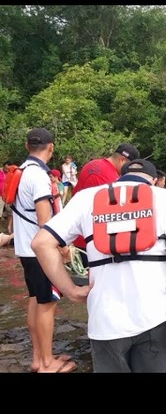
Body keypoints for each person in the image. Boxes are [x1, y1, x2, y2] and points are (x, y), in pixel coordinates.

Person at [31, 158, 166, 373]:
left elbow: (41, 243)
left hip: (104, 323)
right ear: (153, 180)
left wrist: (71, 290)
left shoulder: (86, 198)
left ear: (119, 178)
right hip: (156, 317)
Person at [14, 127, 77, 373]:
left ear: (27, 146)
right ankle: (47, 363)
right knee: (46, 305)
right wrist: (62, 247)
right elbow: (44, 220)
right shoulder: (39, 176)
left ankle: (38, 358)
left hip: (24, 248)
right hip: (40, 252)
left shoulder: (21, 171)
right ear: (51, 148)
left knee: (35, 300)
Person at [71, 143, 140, 268]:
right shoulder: (109, 177)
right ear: (122, 160)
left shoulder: (92, 165)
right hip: (92, 239)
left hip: (82, 234)